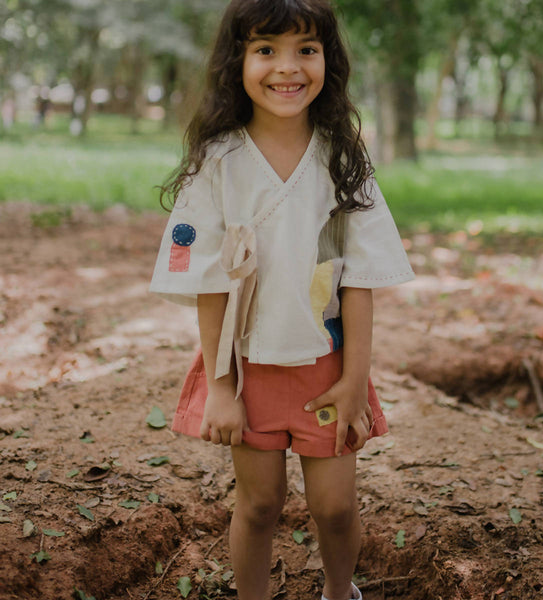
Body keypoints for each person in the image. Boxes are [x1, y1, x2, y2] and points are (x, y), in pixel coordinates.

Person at [150, 1, 414, 599]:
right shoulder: (217, 164)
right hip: (246, 371)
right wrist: (220, 387)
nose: (287, 67)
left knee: (336, 506)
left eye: (306, 49)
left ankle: (338, 591)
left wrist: (355, 380)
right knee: (260, 503)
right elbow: (209, 284)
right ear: (236, 61)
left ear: (329, 60)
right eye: (266, 49)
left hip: (327, 366)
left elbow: (360, 278)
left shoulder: (344, 160)